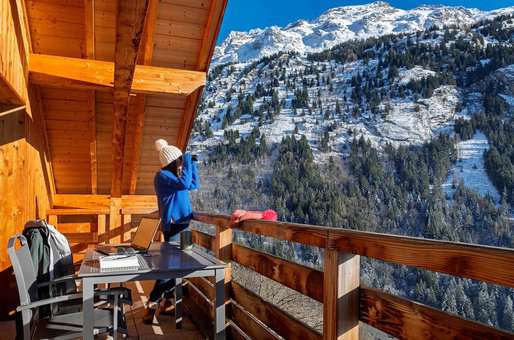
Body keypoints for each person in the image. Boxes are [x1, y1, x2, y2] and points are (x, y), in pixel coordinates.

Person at [143, 139, 199, 324]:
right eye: (180, 160)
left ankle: (166, 303)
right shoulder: (162, 176)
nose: (182, 163)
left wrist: (193, 165)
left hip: (184, 224)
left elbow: (192, 184)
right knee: (170, 268)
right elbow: (184, 184)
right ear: (173, 161)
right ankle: (152, 302)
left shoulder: (174, 179)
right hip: (174, 225)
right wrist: (188, 160)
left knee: (182, 266)